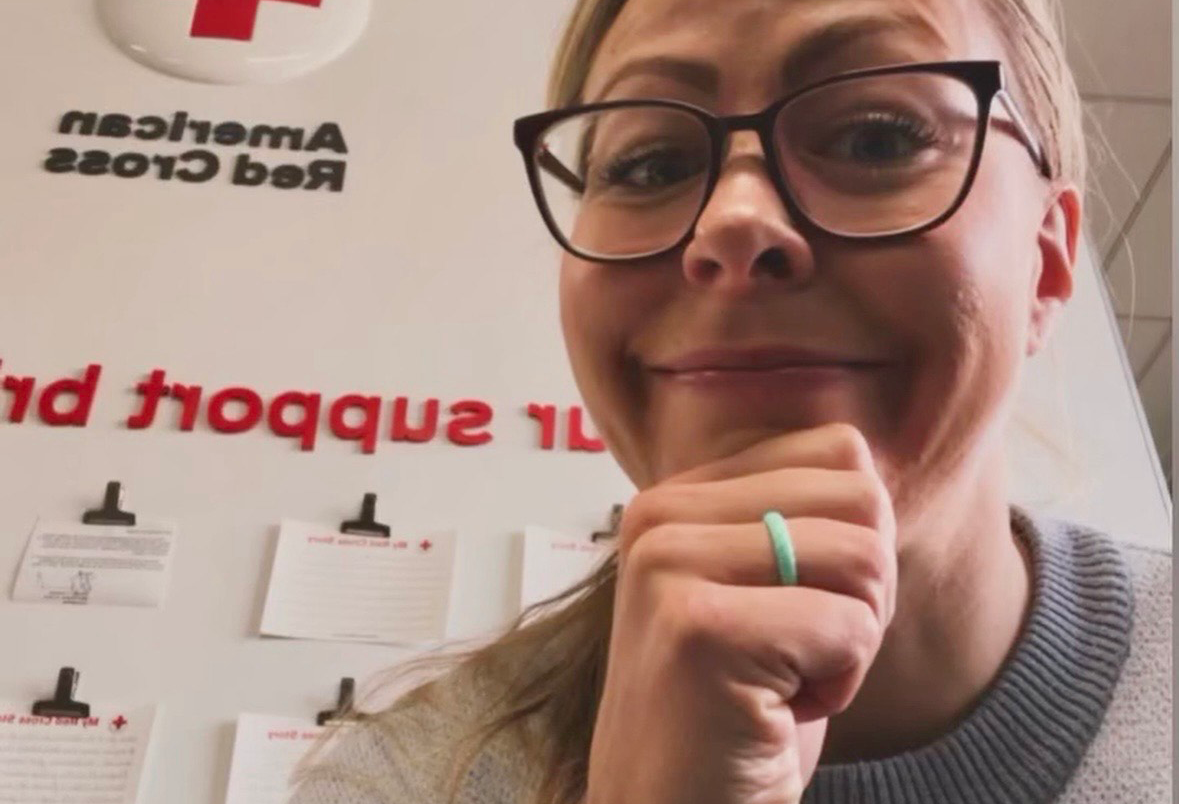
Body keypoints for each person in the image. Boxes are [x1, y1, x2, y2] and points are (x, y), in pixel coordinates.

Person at [289, 0, 1172, 801]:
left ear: (1045, 260)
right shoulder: (401, 781)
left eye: (874, 139)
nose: (732, 218)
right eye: (649, 164)